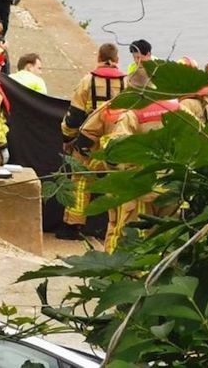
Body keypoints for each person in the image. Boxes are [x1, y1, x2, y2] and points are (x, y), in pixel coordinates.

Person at [72, 68, 184, 252]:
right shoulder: (176, 107)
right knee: (168, 238)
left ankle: (119, 276)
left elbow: (114, 150)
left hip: (138, 187)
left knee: (125, 235)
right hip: (173, 185)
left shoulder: (123, 110)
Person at [58, 43, 126, 239]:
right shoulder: (126, 84)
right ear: (117, 60)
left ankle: (73, 226)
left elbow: (74, 116)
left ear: (98, 58)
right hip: (116, 142)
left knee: (80, 182)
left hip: (89, 140)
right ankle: (115, 226)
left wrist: (68, 138)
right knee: (116, 184)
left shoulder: (88, 81)